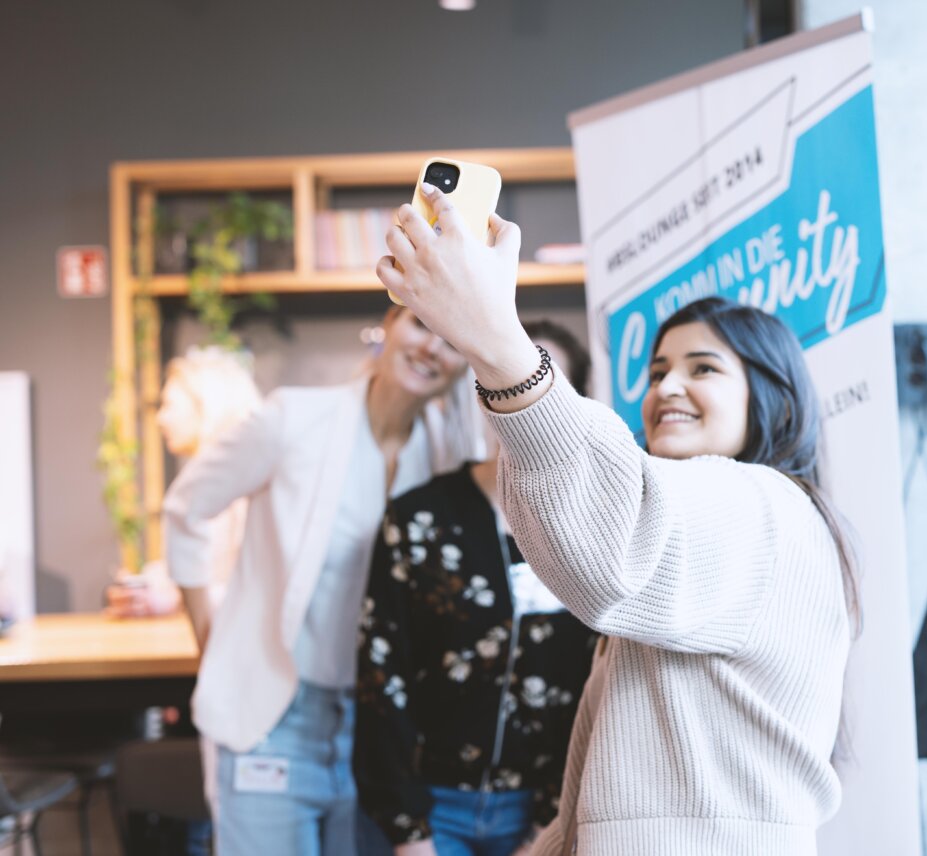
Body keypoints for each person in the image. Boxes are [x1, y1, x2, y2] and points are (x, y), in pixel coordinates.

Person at [372, 184, 858, 856]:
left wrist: (495, 340)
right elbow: (609, 812)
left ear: (772, 398)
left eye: (704, 367)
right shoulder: (728, 519)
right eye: (657, 370)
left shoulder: (765, 507)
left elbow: (609, 546)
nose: (667, 388)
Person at [162, 307, 477, 856]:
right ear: (390, 323)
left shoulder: (450, 456)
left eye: (453, 342)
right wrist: (211, 643)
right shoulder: (293, 419)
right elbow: (186, 509)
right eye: (422, 325)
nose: (433, 348)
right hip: (278, 716)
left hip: (384, 728)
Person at [354, 321, 597, 856]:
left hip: (544, 813)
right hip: (429, 809)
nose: (518, 403)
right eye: (498, 379)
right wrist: (408, 830)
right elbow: (381, 675)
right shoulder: (420, 518)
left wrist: (551, 823)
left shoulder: (591, 532)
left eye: (539, 385)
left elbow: (594, 687)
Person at [106, 346, 261, 634]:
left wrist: (179, 596)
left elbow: (258, 587)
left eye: (170, 405)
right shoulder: (204, 482)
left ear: (207, 406)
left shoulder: (247, 488)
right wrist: (153, 583)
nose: (160, 418)